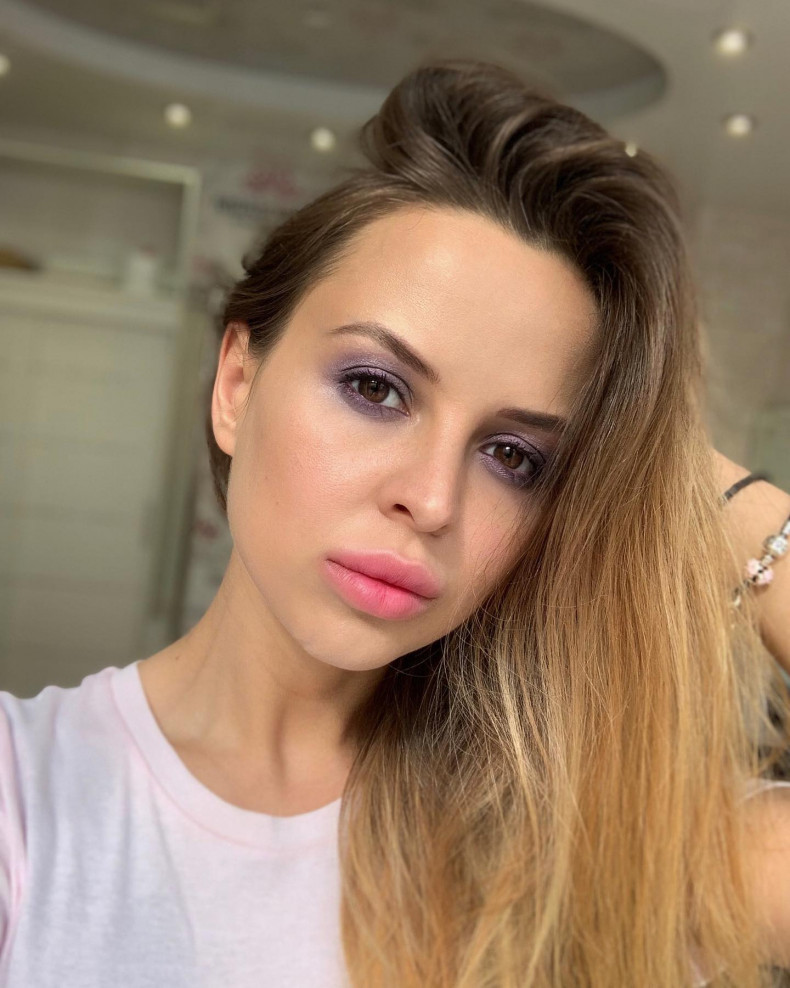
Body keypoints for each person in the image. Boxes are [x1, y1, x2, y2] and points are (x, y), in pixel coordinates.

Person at [1, 58, 789, 988]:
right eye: (376, 388)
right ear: (237, 384)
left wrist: (677, 482)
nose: (434, 499)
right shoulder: (26, 798)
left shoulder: (588, 842)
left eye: (515, 456)